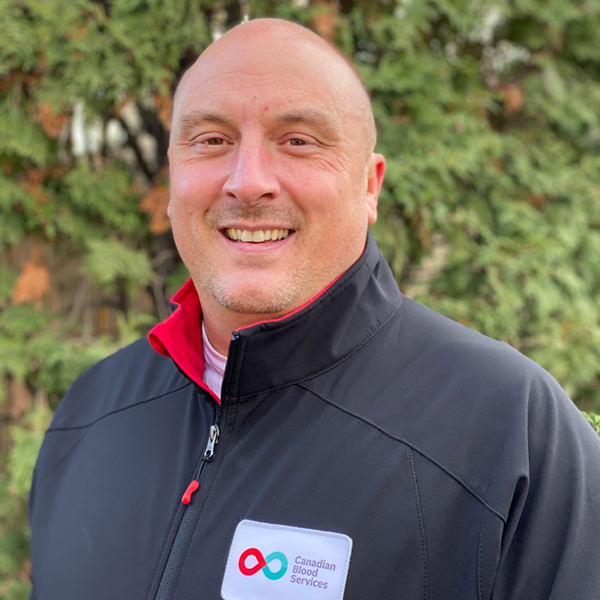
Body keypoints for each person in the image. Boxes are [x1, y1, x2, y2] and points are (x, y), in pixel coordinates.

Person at [29, 18, 600, 600]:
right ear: (174, 178)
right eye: (212, 140)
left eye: (298, 140)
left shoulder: (508, 430)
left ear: (370, 186)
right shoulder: (91, 412)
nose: (247, 182)